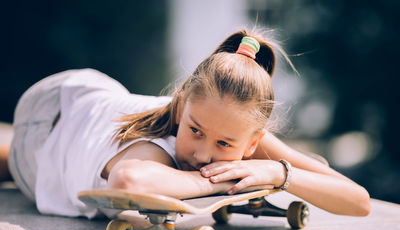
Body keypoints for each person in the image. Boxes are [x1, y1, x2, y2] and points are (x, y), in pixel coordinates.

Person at [3, 30, 370, 219]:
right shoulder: (155, 151)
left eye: (225, 145)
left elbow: (358, 201)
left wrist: (278, 172)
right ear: (180, 107)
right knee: (8, 158)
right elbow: (128, 180)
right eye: (194, 130)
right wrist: (213, 180)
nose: (204, 153)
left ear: (253, 140)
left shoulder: (246, 135)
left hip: (87, 119)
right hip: (52, 119)